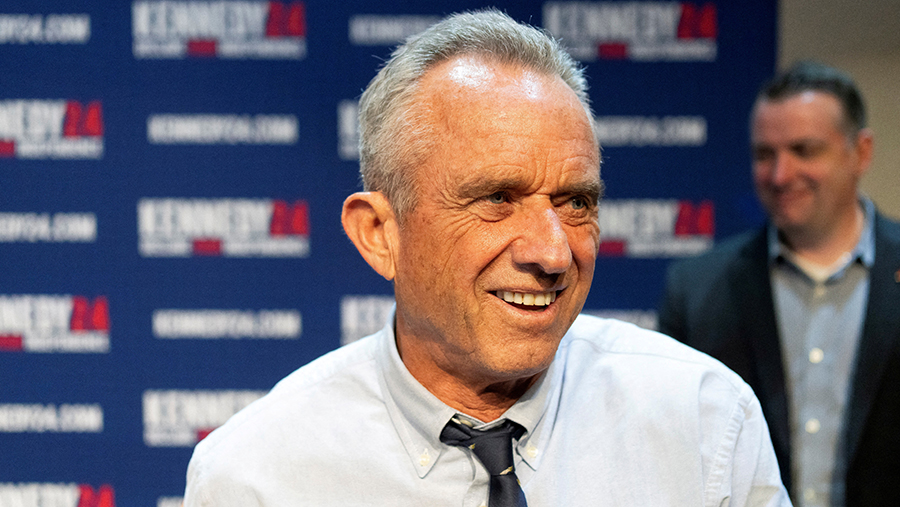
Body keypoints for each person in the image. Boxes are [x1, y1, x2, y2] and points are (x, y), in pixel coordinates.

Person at [184, 10, 789, 506]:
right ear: (379, 234)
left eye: (576, 202)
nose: (553, 252)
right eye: (497, 199)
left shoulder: (706, 423)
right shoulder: (253, 477)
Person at [659, 61, 900, 507]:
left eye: (804, 150)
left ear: (861, 152)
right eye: (764, 154)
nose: (780, 175)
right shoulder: (697, 291)